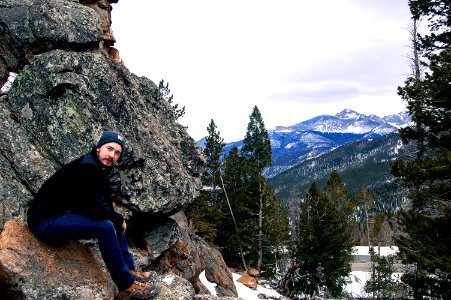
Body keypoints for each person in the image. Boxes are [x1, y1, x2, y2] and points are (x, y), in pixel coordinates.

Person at [27, 131, 155, 299]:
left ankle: (129, 270)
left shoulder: (98, 167)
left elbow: (103, 200)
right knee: (106, 226)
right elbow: (96, 209)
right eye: (109, 149)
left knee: (114, 221)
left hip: (59, 216)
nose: (112, 155)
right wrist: (117, 219)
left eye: (117, 153)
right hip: (44, 223)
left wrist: (118, 218)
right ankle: (126, 285)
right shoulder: (87, 168)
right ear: (98, 148)